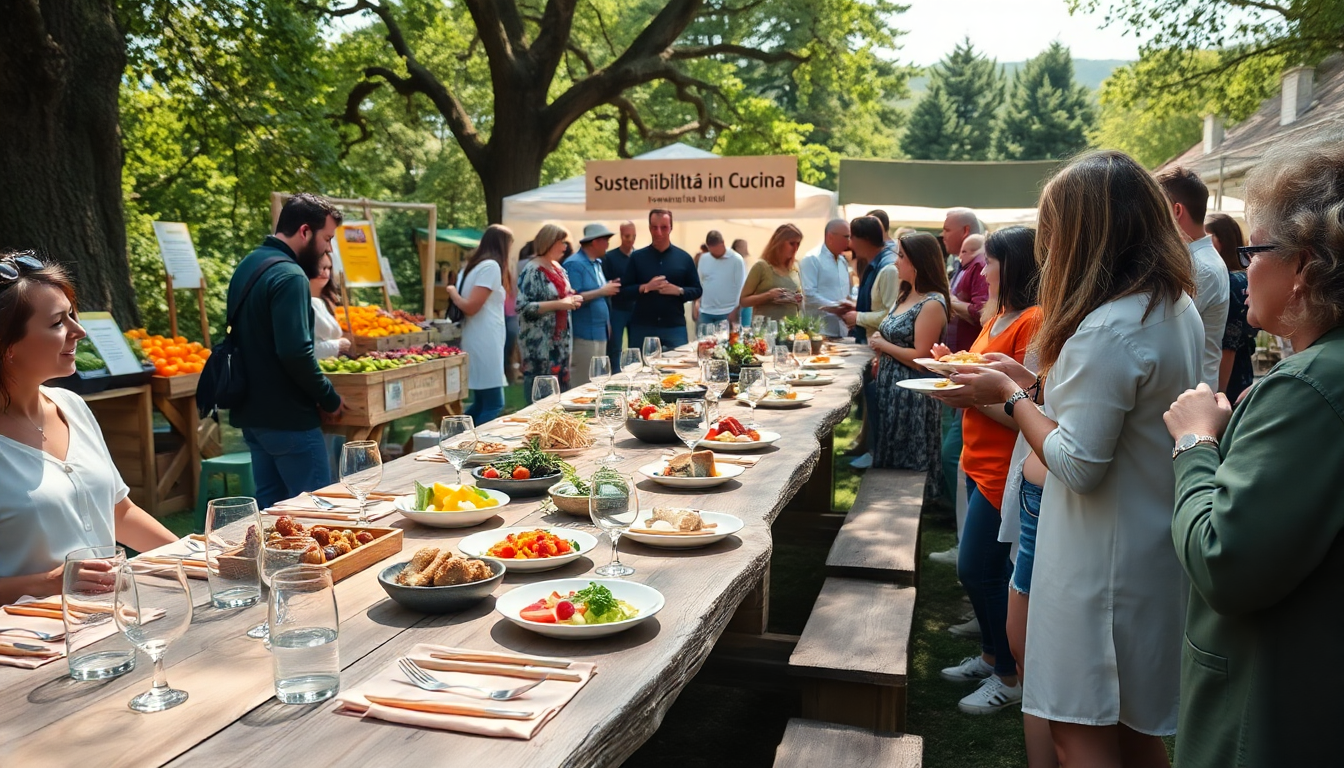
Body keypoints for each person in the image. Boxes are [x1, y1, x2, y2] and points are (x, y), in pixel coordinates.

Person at [943, 150, 1201, 766]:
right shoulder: (1169, 305)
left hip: (1097, 561)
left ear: (1086, 234)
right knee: (1136, 729)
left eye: (1055, 232)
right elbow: (1104, 418)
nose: (1048, 250)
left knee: (1077, 727)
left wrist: (1007, 399)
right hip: (1140, 543)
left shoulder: (1108, 326)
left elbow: (1080, 462)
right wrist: (1030, 388)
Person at [1161, 130, 1344, 768]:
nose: (1243, 270)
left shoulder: (1308, 388)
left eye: (1256, 249)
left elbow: (1225, 560)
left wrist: (1193, 443)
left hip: (1270, 713)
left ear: (1304, 269)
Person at [0, 252, 177, 603]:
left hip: (113, 623)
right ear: (8, 346)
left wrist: (195, 557)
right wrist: (48, 582)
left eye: (71, 315)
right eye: (57, 323)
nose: (78, 331)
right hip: (31, 647)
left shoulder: (72, 407)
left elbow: (118, 511)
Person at [930, 227, 1042, 722]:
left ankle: (1010, 677)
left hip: (1004, 467)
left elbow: (1023, 408)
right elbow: (977, 374)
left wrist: (970, 391)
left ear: (1011, 265)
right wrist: (951, 369)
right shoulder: (998, 314)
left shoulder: (1034, 320)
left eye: (989, 262)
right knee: (984, 570)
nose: (981, 270)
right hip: (979, 461)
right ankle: (995, 657)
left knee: (978, 568)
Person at [228, 193, 345, 510]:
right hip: (289, 419)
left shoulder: (248, 265)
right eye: (327, 238)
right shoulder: (291, 276)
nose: (328, 249)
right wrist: (329, 397)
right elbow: (295, 352)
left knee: (273, 515)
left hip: (253, 418)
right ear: (305, 231)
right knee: (316, 513)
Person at [868, 232, 950, 485]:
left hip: (911, 398)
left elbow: (921, 358)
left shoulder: (932, 303)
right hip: (890, 391)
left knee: (907, 471)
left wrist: (884, 345)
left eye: (901, 256)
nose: (895, 263)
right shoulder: (904, 295)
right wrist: (882, 354)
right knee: (889, 461)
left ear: (917, 262)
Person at [1158, 166, 1230, 389]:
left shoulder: (1200, 267)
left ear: (1176, 211)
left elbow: (1160, 330)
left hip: (1190, 393)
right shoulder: (1199, 261)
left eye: (1156, 208)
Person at [446, 224, 513, 422]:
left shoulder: (472, 267)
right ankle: (471, 444)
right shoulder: (491, 266)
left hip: (477, 336)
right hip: (485, 339)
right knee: (494, 404)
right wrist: (453, 294)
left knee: (482, 403)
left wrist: (454, 293)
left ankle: (454, 438)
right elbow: (472, 306)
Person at [518, 224, 583, 400]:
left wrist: (572, 299)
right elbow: (525, 309)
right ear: (549, 242)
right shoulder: (533, 270)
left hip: (560, 346)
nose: (565, 247)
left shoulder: (558, 268)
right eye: (561, 242)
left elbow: (561, 297)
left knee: (559, 397)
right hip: (540, 348)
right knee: (540, 399)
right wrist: (560, 303)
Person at [620, 209, 701, 349]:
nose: (659, 232)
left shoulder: (684, 258)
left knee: (678, 368)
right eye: (654, 227)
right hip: (643, 326)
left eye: (664, 227)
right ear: (649, 228)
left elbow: (697, 290)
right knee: (640, 369)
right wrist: (645, 287)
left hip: (674, 326)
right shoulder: (637, 257)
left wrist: (679, 291)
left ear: (671, 228)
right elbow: (624, 291)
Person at [1205, 213, 1258, 401]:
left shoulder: (1231, 281)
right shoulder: (1242, 277)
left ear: (1218, 240)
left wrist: (1219, 395)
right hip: (1242, 369)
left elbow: (1229, 345)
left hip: (1228, 376)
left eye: (1206, 237)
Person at [564, 223, 621, 386]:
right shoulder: (574, 264)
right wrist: (603, 290)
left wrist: (606, 323)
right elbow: (573, 298)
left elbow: (597, 291)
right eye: (605, 240)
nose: (608, 244)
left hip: (599, 331)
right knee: (583, 381)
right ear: (594, 242)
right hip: (584, 333)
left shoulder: (596, 263)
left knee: (598, 380)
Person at [842, 216, 899, 343]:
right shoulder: (875, 264)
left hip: (880, 348)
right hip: (871, 343)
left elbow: (892, 315)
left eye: (852, 238)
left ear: (865, 240)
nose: (850, 244)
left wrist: (858, 317)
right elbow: (877, 305)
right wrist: (856, 309)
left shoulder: (888, 269)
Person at [739, 224, 804, 323]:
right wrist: (768, 295)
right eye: (791, 243)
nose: (795, 248)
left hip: (790, 329)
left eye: (798, 244)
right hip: (766, 330)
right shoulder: (762, 267)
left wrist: (798, 299)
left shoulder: (795, 268)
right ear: (779, 243)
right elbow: (743, 301)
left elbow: (799, 299)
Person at [801, 219, 853, 338]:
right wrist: (834, 307)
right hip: (820, 332)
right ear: (830, 237)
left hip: (843, 331)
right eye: (846, 237)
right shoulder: (812, 259)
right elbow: (808, 295)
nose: (849, 241)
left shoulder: (842, 261)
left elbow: (846, 293)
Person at [303, 252, 350, 360]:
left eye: (328, 268)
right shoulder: (297, 302)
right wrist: (338, 345)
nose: (324, 272)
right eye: (319, 267)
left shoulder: (326, 302)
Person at [695, 231, 745, 327]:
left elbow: (741, 286)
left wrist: (735, 310)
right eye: (711, 251)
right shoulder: (704, 259)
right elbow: (700, 282)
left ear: (723, 243)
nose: (715, 255)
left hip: (728, 312)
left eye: (717, 251)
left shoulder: (736, 260)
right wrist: (697, 302)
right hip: (706, 312)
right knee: (704, 340)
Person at [603, 221, 637, 363]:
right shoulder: (609, 257)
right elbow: (604, 284)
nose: (630, 240)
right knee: (615, 347)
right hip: (616, 308)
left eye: (633, 236)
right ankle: (615, 376)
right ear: (621, 235)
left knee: (635, 348)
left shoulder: (638, 256)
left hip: (636, 307)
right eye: (627, 236)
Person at [732, 238, 754, 328]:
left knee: (746, 326)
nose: (746, 249)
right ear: (737, 247)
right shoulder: (733, 262)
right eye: (743, 246)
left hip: (746, 299)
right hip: (735, 300)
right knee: (735, 327)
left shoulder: (745, 262)